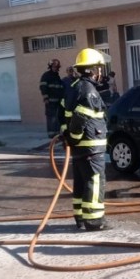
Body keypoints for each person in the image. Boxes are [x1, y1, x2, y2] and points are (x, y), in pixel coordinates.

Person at [62, 48, 110, 231]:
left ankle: (81, 217)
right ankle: (94, 220)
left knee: (81, 182)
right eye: (98, 69)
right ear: (91, 70)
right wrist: (74, 137)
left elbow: (64, 113)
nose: (100, 73)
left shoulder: (75, 87)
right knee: (95, 181)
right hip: (90, 146)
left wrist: (71, 139)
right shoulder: (89, 90)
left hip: (81, 147)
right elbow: (81, 117)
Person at [39, 59, 65, 138]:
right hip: (50, 101)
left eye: (57, 67)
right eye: (54, 67)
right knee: (51, 117)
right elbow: (43, 87)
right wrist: (46, 98)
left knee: (57, 117)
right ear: (50, 67)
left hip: (58, 101)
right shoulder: (46, 76)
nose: (56, 68)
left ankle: (57, 134)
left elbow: (60, 88)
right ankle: (51, 134)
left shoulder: (57, 76)